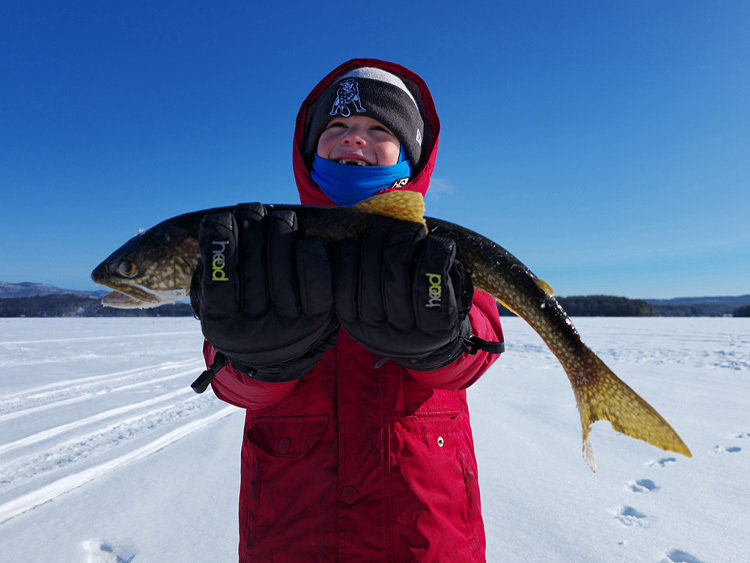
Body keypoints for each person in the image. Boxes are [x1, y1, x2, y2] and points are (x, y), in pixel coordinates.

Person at [192, 59, 504, 562]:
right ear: (310, 149)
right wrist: (256, 362)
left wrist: (444, 344)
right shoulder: (265, 248)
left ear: (411, 156)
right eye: (336, 126)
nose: (353, 137)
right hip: (290, 535)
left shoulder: (438, 249)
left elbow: (481, 345)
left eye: (379, 130)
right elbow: (226, 379)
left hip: (425, 532)